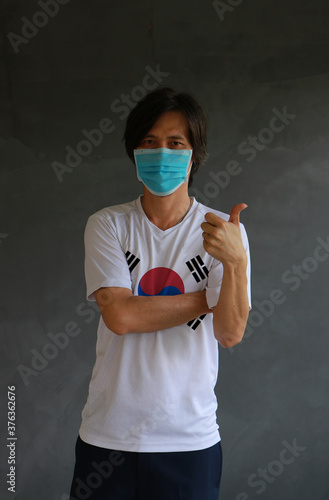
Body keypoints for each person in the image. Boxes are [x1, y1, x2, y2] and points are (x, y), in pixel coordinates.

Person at [69, 87, 251, 500]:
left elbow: (229, 332)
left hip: (189, 441)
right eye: (149, 142)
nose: (161, 152)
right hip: (108, 436)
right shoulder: (108, 225)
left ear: (194, 154)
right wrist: (210, 296)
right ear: (134, 152)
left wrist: (236, 263)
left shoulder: (225, 232)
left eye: (175, 143)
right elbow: (120, 317)